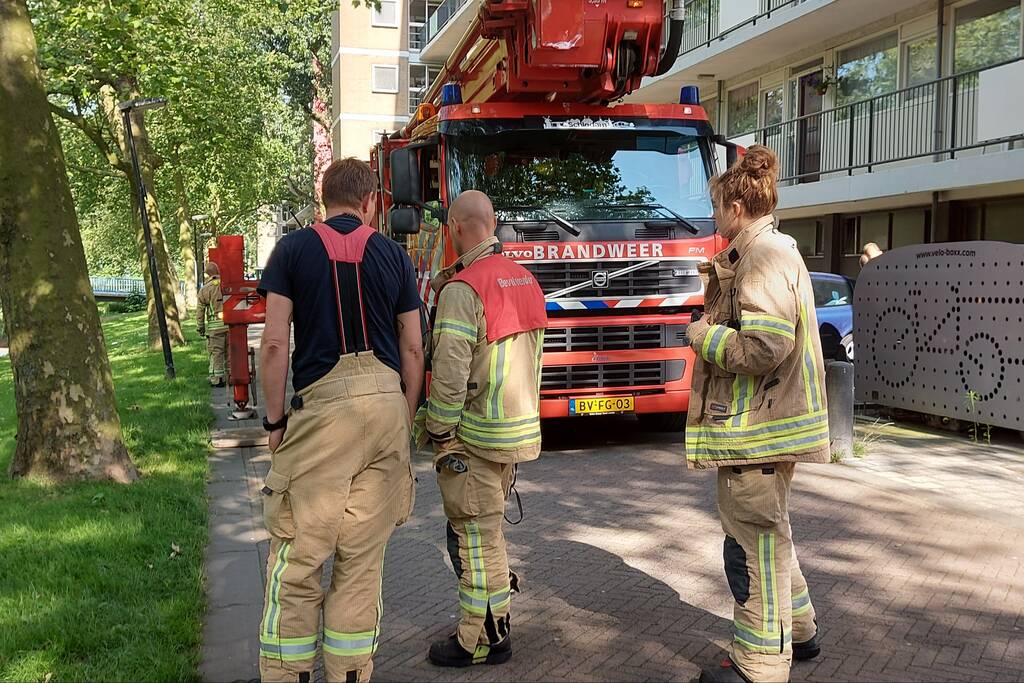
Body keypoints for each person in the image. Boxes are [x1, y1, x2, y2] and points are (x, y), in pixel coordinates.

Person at [255, 157, 424, 683]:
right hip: (386, 410)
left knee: (301, 557)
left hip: (323, 415)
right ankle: (350, 674)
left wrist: (275, 422)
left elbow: (276, 343)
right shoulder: (394, 255)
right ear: (371, 202)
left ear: (323, 198)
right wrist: (406, 412)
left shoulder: (291, 251)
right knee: (361, 562)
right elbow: (414, 347)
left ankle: (289, 675)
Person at [685, 146, 827, 683]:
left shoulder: (763, 257)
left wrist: (704, 336)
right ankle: (801, 630)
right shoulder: (770, 251)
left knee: (751, 551)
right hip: (767, 431)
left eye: (718, 206)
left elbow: (766, 346)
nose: (714, 217)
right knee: (773, 535)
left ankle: (760, 666)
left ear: (738, 206)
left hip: (755, 434)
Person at [416, 190, 546, 667]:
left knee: (473, 538)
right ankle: (497, 628)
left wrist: (439, 429)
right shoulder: (526, 281)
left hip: (472, 436)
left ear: (454, 227)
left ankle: (478, 640)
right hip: (513, 433)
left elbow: (449, 372)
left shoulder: (462, 289)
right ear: (492, 223)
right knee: (489, 536)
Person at [196, 261, 227, 387]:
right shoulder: (226, 285)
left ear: (206, 274)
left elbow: (200, 311)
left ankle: (218, 379)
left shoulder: (204, 290)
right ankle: (231, 377)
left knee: (217, 352)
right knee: (230, 353)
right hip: (229, 325)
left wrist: (200, 327)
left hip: (215, 327)